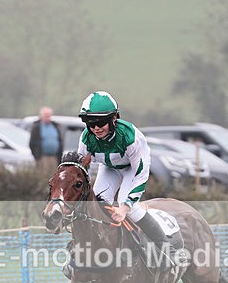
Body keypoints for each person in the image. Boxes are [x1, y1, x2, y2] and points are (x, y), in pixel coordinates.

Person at [76, 90, 182, 269]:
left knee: (130, 210)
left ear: (114, 119)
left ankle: (168, 250)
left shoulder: (131, 137)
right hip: (109, 168)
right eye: (89, 123)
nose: (95, 128)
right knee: (96, 206)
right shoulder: (87, 138)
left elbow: (141, 173)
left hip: (132, 170)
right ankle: (83, 250)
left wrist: (125, 207)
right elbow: (81, 168)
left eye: (101, 122)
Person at [29, 106, 62, 170]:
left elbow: (60, 141)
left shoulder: (55, 126)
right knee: (43, 176)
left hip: (54, 157)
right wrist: (36, 156)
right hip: (42, 157)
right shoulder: (37, 127)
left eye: (49, 115)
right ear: (41, 116)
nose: (48, 117)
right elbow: (32, 143)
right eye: (46, 115)